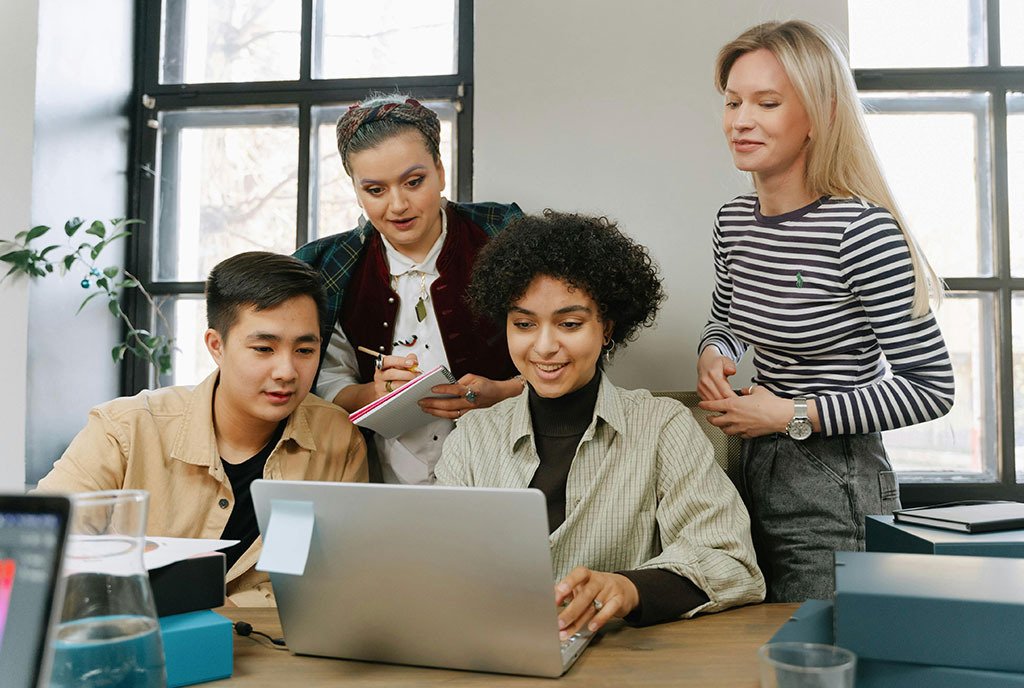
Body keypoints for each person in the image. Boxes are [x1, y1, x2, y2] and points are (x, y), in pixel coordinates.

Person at [697, 20, 955, 602]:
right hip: (751, 467)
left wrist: (793, 413)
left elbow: (931, 388)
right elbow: (730, 322)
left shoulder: (861, 232)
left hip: (836, 478)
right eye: (733, 101)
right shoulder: (733, 221)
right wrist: (715, 350)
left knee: (824, 657)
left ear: (819, 113)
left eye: (767, 102)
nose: (740, 120)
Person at [436, 211, 765, 640]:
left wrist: (627, 588)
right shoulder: (474, 438)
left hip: (621, 665)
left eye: (570, 324)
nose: (545, 346)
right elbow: (439, 566)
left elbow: (733, 564)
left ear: (606, 327)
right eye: (523, 324)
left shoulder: (662, 427)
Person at [36, 252, 368, 605]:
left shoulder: (337, 439)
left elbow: (340, 580)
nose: (287, 371)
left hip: (275, 649)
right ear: (216, 346)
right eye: (263, 348)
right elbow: (37, 546)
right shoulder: (125, 430)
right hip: (143, 641)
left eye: (304, 349)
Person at [295, 94, 524, 485]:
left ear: (440, 169)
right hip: (382, 478)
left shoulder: (503, 235)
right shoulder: (328, 265)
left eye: (414, 182)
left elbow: (566, 347)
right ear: (355, 188)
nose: (398, 205)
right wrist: (371, 392)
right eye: (375, 190)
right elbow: (325, 381)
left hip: (509, 470)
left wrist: (502, 393)